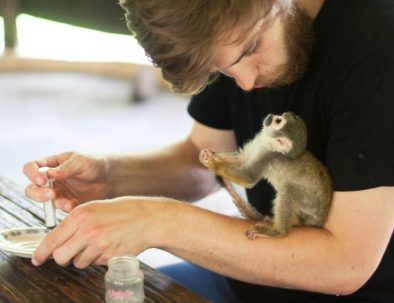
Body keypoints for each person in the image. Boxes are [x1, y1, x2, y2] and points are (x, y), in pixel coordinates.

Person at [22, 0, 394, 302]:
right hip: (247, 281)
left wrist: (158, 220)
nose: (247, 83)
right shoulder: (219, 32)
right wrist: (110, 176)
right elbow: (202, 161)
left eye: (251, 49)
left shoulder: (377, 43)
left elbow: (346, 264)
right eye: (225, 72)